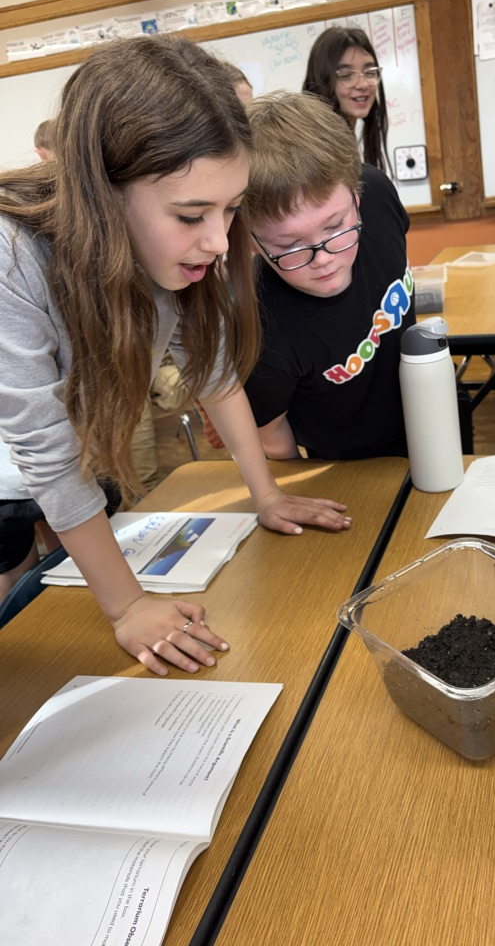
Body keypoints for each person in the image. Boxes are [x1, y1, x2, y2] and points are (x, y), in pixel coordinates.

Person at [0, 35, 351, 675]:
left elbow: (213, 372)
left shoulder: (169, 258)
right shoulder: (13, 256)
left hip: (68, 474)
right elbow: (45, 453)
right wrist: (127, 605)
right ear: (103, 192)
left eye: (231, 210)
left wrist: (266, 494)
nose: (219, 242)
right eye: (192, 216)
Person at [242, 90, 414, 461]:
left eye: (335, 226)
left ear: (357, 196)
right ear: (252, 242)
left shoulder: (379, 195)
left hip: (428, 409)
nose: (322, 258)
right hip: (346, 466)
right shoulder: (262, 329)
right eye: (289, 245)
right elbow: (271, 435)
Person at [302, 26, 391, 175]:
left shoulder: (346, 146)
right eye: (346, 75)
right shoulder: (312, 154)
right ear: (322, 81)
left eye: (369, 73)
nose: (362, 85)